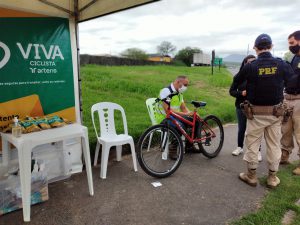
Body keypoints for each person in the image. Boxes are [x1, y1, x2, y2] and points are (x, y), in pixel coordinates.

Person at [233, 34, 295, 188]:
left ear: (255, 48)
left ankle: (251, 176)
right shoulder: (282, 65)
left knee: (253, 143)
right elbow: (292, 84)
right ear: (272, 46)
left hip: (255, 114)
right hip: (275, 113)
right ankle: (272, 178)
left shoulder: (250, 66)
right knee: (274, 144)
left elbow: (235, 83)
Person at [230, 55, 262, 162]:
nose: (251, 64)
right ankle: (239, 147)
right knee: (241, 128)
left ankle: (257, 151)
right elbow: (232, 91)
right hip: (240, 106)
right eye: (248, 62)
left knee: (255, 130)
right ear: (244, 63)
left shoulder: (259, 77)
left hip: (255, 107)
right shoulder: (239, 77)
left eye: (253, 62)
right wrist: (241, 93)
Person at [280, 30, 300, 175]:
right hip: (288, 99)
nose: (290, 46)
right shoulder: (294, 58)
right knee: (285, 130)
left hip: (299, 100)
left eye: (292, 43)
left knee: (299, 132)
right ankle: (284, 156)